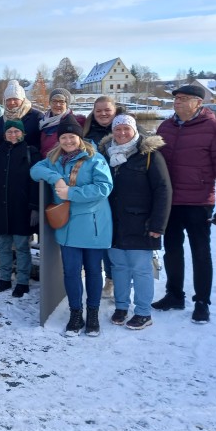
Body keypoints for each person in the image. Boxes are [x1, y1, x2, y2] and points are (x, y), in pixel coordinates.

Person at [152, 85, 216, 324]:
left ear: (198, 103)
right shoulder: (165, 127)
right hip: (170, 201)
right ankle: (174, 295)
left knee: (201, 252)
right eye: (175, 98)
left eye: (183, 99)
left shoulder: (214, 128)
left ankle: (202, 302)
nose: (176, 102)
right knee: (171, 250)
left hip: (199, 202)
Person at [30, 114, 112, 337]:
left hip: (93, 224)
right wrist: (54, 178)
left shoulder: (95, 158)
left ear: (80, 137)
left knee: (94, 271)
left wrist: (71, 193)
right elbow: (35, 170)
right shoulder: (54, 159)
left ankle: (92, 314)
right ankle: (76, 313)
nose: (68, 141)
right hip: (67, 226)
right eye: (64, 137)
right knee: (71, 272)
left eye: (72, 137)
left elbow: (104, 188)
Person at [99, 115, 172, 330]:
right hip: (113, 223)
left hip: (142, 223)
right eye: (118, 129)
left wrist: (158, 225)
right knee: (118, 267)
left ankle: (143, 312)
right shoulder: (105, 155)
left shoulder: (149, 155)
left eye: (126, 129)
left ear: (135, 130)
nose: (122, 133)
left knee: (141, 269)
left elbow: (163, 190)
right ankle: (121, 307)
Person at [0, 120, 41, 297]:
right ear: (4, 134)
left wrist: (35, 207)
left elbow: (36, 183)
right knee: (4, 245)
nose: (13, 135)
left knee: (22, 247)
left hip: (21, 209)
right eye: (9, 132)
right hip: (0, 207)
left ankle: (22, 281)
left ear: (23, 134)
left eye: (16, 132)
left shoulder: (31, 153)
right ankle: (5, 278)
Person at [83, 96, 124, 299]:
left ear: (115, 110)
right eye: (98, 111)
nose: (103, 114)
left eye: (107, 110)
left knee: (116, 239)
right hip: (96, 192)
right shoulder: (87, 132)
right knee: (101, 237)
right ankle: (106, 278)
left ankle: (115, 278)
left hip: (122, 191)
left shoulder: (125, 127)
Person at [0, 79, 43, 149]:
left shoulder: (36, 117)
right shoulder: (1, 120)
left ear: (23, 99)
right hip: (6, 158)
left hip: (30, 158)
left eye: (15, 99)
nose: (12, 102)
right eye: (8, 99)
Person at [39, 88, 86, 155]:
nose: (58, 104)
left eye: (61, 101)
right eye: (54, 101)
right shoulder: (43, 121)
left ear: (66, 104)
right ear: (50, 102)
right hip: (45, 162)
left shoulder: (76, 122)